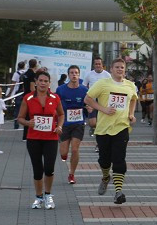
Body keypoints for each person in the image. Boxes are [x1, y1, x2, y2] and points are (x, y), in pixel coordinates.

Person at [84, 58, 137, 205]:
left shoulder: (130, 85)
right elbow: (87, 99)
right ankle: (106, 177)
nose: (120, 69)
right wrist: (103, 109)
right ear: (111, 69)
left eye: (122, 67)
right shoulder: (102, 84)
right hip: (103, 129)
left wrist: (131, 114)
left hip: (121, 127)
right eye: (117, 67)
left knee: (119, 160)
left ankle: (118, 191)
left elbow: (133, 99)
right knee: (104, 160)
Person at [17, 70, 64, 209]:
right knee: (37, 169)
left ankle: (48, 195)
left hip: (51, 138)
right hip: (34, 138)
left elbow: (61, 115)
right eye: (40, 81)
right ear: (36, 82)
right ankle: (38, 197)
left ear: (49, 83)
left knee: (49, 168)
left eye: (46, 81)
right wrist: (27, 123)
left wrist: (60, 126)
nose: (43, 83)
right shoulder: (28, 98)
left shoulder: (55, 98)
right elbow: (20, 117)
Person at [55, 65, 89, 184]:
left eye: (76, 73)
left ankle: (72, 174)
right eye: (71, 73)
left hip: (79, 123)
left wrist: (88, 109)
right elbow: (55, 105)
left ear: (79, 75)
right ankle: (64, 156)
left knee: (75, 149)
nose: (74, 75)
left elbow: (88, 104)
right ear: (68, 75)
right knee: (64, 152)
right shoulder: (61, 89)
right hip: (65, 122)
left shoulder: (84, 90)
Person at [83, 57, 111, 134]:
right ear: (94, 65)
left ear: (102, 65)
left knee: (102, 120)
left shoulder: (107, 75)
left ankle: (100, 132)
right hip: (92, 100)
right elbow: (84, 86)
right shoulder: (89, 74)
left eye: (99, 64)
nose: (98, 65)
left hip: (103, 100)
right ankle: (93, 128)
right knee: (92, 123)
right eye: (96, 64)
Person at [10, 61, 25, 129]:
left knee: (17, 109)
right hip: (25, 92)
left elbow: (13, 84)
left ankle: (16, 124)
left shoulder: (16, 74)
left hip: (18, 93)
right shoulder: (26, 73)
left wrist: (10, 93)